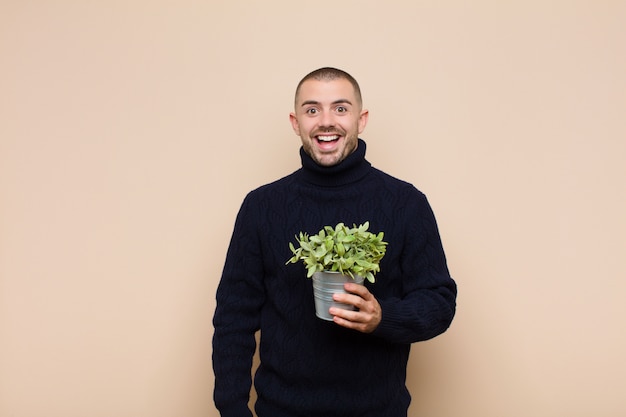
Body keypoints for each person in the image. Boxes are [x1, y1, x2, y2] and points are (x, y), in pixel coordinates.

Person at [212, 67, 457, 417]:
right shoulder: (262, 207)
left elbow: (440, 303)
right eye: (312, 110)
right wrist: (232, 408)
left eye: (340, 108)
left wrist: (383, 317)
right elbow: (233, 318)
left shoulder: (405, 203)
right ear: (296, 123)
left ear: (362, 118)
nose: (326, 121)